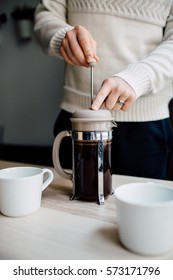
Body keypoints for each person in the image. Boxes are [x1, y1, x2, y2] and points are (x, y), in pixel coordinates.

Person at [34, 0, 173, 179]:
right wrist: (62, 36)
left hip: (147, 125)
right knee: (73, 201)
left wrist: (138, 78)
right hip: (77, 118)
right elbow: (46, 14)